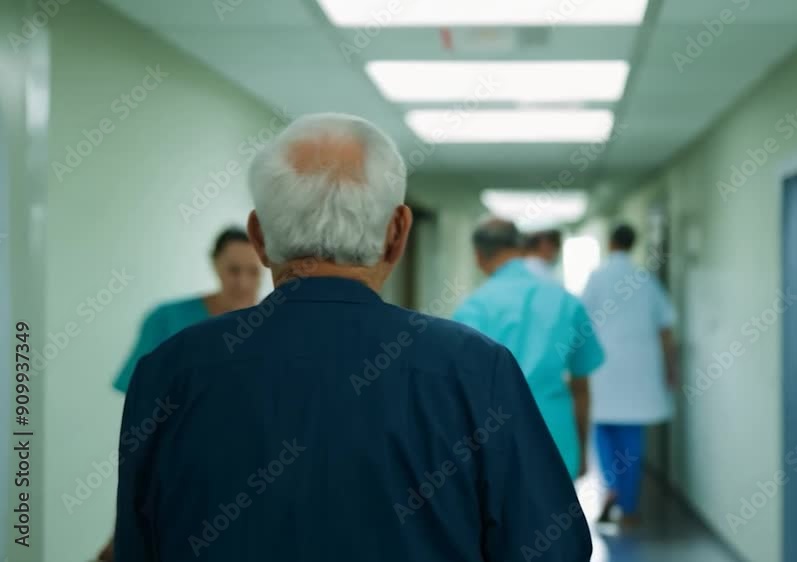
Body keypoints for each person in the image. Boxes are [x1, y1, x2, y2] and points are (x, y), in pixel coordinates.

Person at [114, 113, 591, 562]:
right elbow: (551, 548)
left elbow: (139, 545)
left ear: (258, 236)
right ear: (398, 232)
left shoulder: (168, 372)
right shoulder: (472, 369)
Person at [96, 227, 261, 561]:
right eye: (233, 270)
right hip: (178, 478)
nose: (243, 282)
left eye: (253, 272)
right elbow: (143, 417)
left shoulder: (272, 329)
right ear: (215, 266)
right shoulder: (169, 321)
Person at [453, 218, 604, 481]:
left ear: (478, 256)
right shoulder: (566, 303)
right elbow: (581, 388)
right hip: (555, 437)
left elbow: (458, 392)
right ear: (522, 249)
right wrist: (581, 449)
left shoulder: (472, 308)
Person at [581, 224, 680, 530]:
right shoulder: (646, 280)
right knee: (632, 439)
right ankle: (630, 505)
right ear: (633, 244)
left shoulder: (597, 278)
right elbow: (666, 328)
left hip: (603, 369)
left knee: (603, 433)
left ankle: (610, 486)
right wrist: (670, 367)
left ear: (610, 243)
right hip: (639, 372)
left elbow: (581, 324)